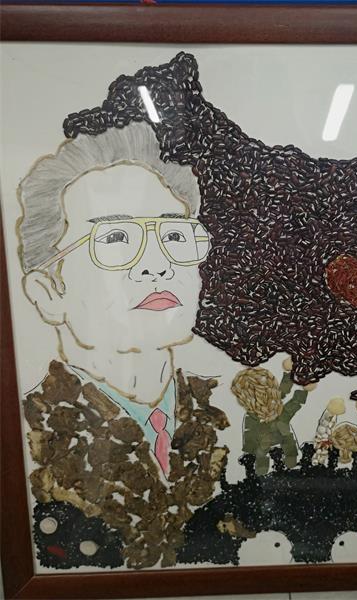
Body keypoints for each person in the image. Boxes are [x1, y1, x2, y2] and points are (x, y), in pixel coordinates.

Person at [18, 121, 229, 569]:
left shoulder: (228, 418)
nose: (157, 266)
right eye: (114, 240)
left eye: (174, 236)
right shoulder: (27, 438)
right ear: (48, 293)